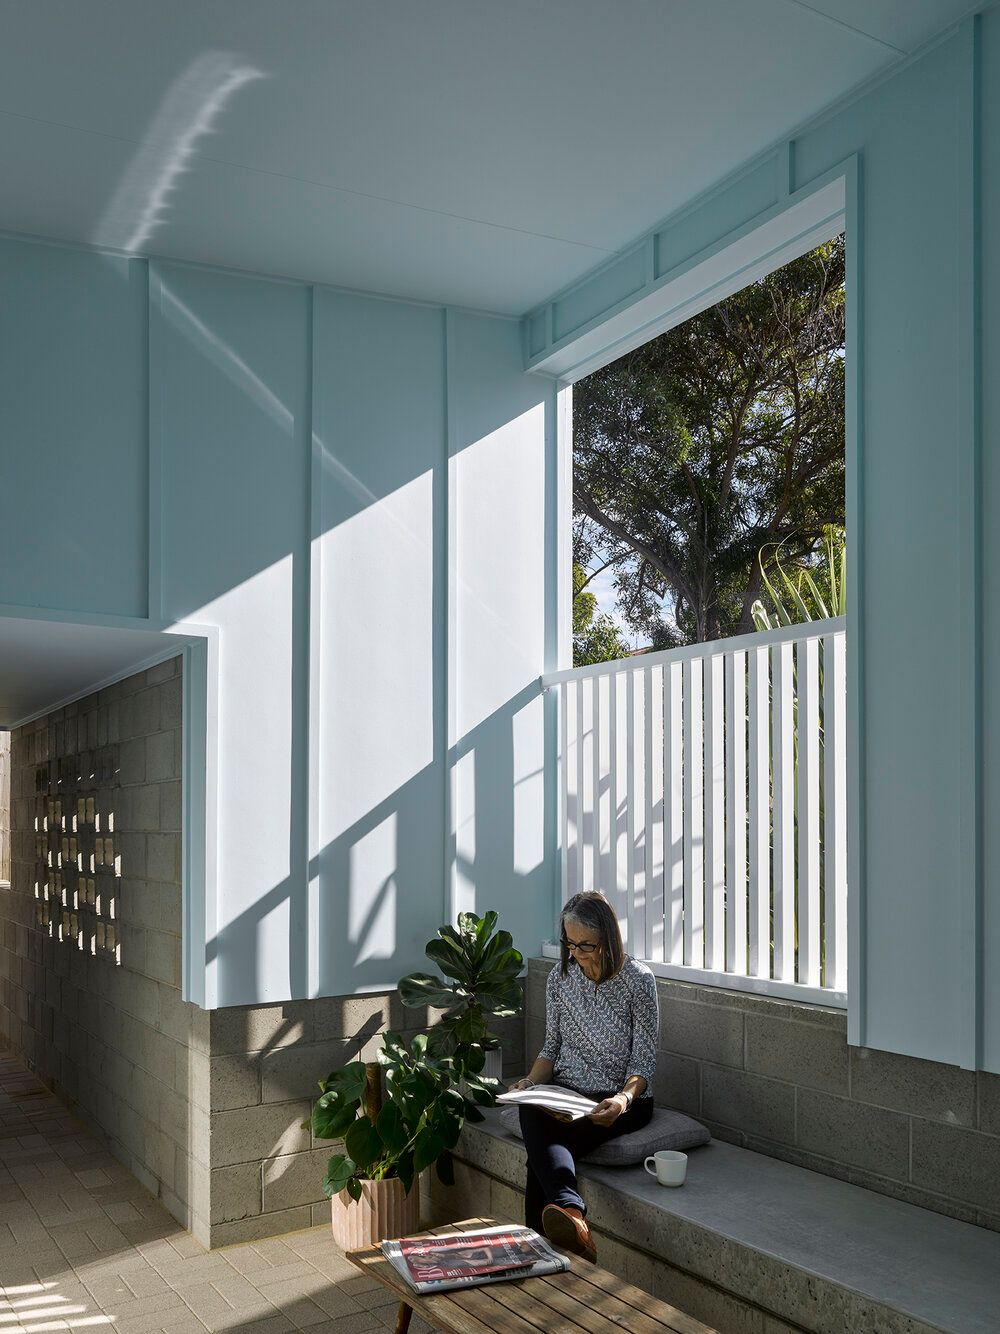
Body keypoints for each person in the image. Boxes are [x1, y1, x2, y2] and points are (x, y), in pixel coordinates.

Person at [508, 890, 658, 1263]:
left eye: (585, 945)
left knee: (539, 1154)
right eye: (569, 943)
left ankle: (548, 1243)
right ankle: (571, 1215)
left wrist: (621, 1101)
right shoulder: (560, 979)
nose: (575, 953)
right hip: (568, 1092)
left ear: (607, 938)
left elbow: (643, 1064)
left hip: (621, 1100)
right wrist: (529, 1084)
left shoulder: (638, 980)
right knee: (532, 1109)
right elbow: (551, 1048)